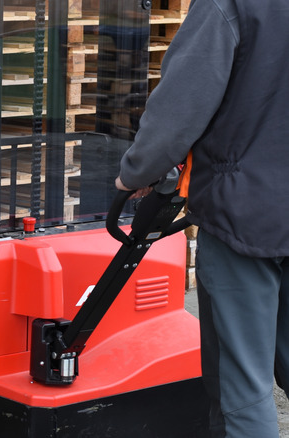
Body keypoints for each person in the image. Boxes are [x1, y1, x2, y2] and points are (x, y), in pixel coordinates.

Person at [114, 0, 289, 436]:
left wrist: (135, 173)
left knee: (242, 390)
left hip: (245, 216)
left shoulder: (229, 5)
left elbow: (181, 104)